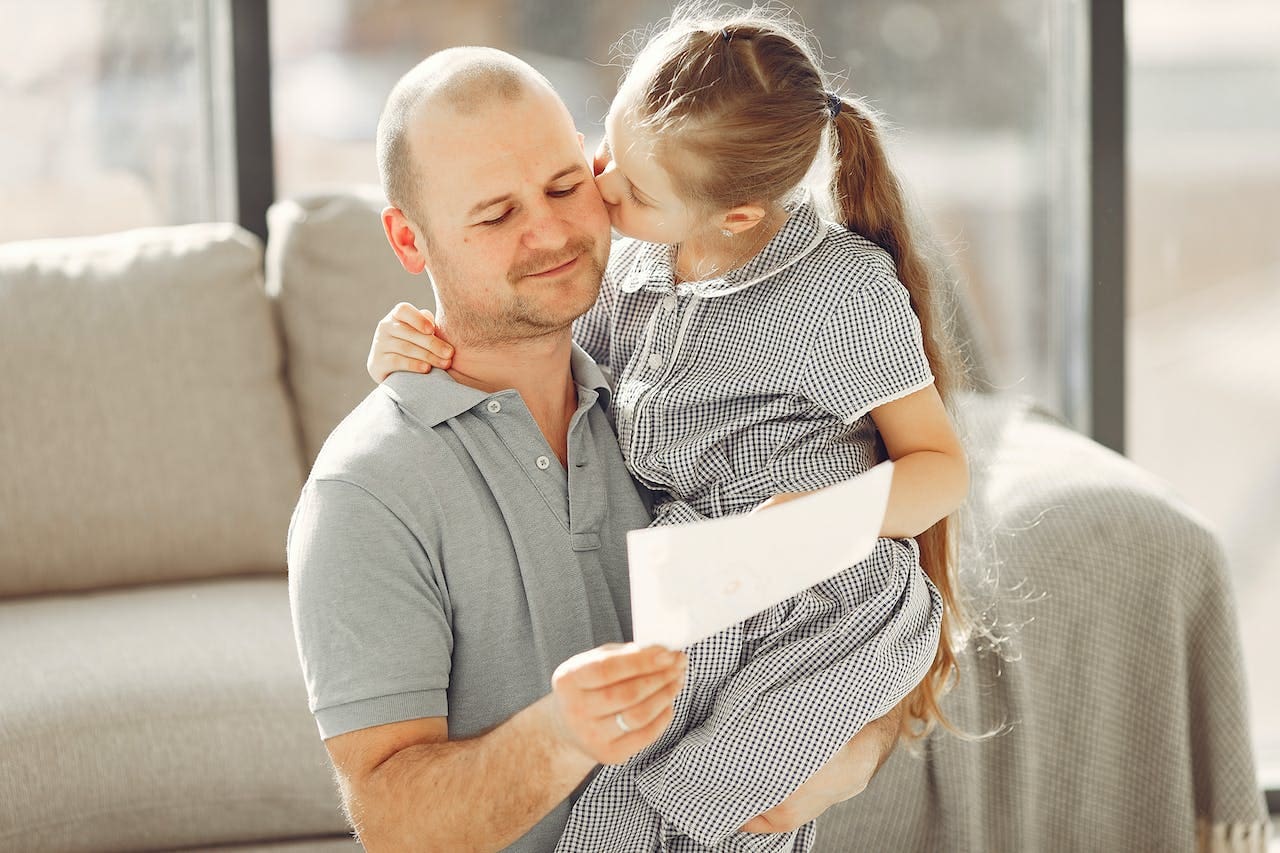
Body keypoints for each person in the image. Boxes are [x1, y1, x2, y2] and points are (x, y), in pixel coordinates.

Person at [362, 5, 970, 852]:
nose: (599, 190)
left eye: (635, 190)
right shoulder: (640, 265)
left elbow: (942, 467)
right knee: (630, 781)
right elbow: (542, 352)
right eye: (604, 149)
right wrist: (412, 345)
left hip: (818, 586)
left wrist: (818, 520)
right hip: (700, 576)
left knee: (712, 804)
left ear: (739, 216)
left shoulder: (843, 295)